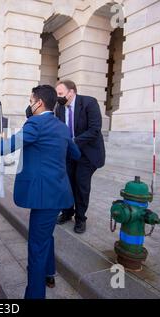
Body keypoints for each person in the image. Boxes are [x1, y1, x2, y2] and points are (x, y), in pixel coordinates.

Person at [0, 85, 81, 299]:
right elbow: (75, 154)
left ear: (39, 103)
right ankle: (49, 272)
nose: (29, 105)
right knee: (45, 235)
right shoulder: (62, 127)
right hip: (57, 192)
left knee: (36, 248)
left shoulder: (36, 124)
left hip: (44, 196)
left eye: (31, 101)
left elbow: (7, 146)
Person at [55, 80, 106, 234]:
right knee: (67, 183)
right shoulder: (60, 109)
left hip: (88, 153)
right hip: (70, 153)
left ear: (71, 92)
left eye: (60, 93)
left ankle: (80, 218)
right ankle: (67, 212)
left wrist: (73, 141)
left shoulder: (89, 103)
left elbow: (95, 129)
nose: (58, 97)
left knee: (81, 185)